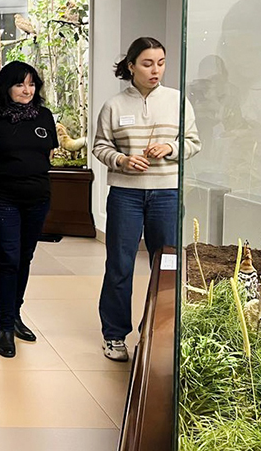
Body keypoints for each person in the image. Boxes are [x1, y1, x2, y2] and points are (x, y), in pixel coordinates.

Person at [93, 36, 200, 362]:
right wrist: (122, 161)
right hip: (125, 194)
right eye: (148, 63)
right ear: (131, 66)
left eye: (161, 63)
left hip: (167, 193)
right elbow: (100, 147)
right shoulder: (114, 105)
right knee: (119, 264)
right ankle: (114, 335)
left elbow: (193, 142)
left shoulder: (177, 101)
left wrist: (170, 148)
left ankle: (158, 331)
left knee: (166, 265)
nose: (156, 70)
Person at [0, 61, 58, 358]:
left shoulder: (44, 116)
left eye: (32, 84)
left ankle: (16, 314)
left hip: (38, 199)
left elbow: (48, 154)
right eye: (20, 84)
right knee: (8, 259)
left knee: (25, 257)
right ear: (5, 87)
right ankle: (5, 326)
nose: (27, 90)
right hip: (2, 199)